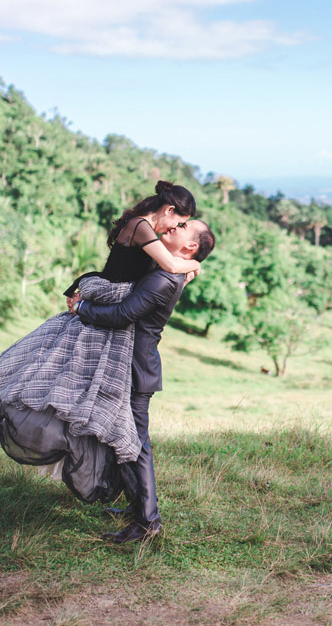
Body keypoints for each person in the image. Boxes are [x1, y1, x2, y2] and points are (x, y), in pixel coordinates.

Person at [0, 182, 203, 507]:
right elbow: (169, 265)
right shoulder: (141, 226)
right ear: (168, 210)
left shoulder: (143, 226)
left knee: (95, 406)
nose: (175, 228)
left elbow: (160, 267)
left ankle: (132, 502)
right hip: (104, 315)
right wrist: (194, 265)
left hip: (108, 316)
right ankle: (138, 507)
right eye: (178, 221)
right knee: (71, 393)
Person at [69, 219, 215, 543]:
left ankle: (148, 521)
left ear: (191, 246)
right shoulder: (169, 266)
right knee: (124, 440)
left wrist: (82, 308)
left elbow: (123, 314)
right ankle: (138, 508)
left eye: (184, 226)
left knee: (138, 446)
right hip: (129, 365)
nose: (174, 225)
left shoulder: (165, 278)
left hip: (136, 368)